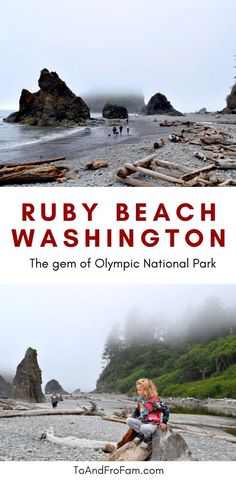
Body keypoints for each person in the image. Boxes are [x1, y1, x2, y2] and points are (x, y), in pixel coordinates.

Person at [127, 378, 169, 449]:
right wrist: (133, 416)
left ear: (147, 390)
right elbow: (138, 410)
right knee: (129, 420)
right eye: (138, 390)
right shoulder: (141, 400)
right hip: (142, 422)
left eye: (140, 390)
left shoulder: (154, 401)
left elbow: (166, 409)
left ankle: (147, 438)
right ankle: (141, 434)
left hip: (152, 424)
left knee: (144, 428)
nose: (138, 392)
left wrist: (164, 422)